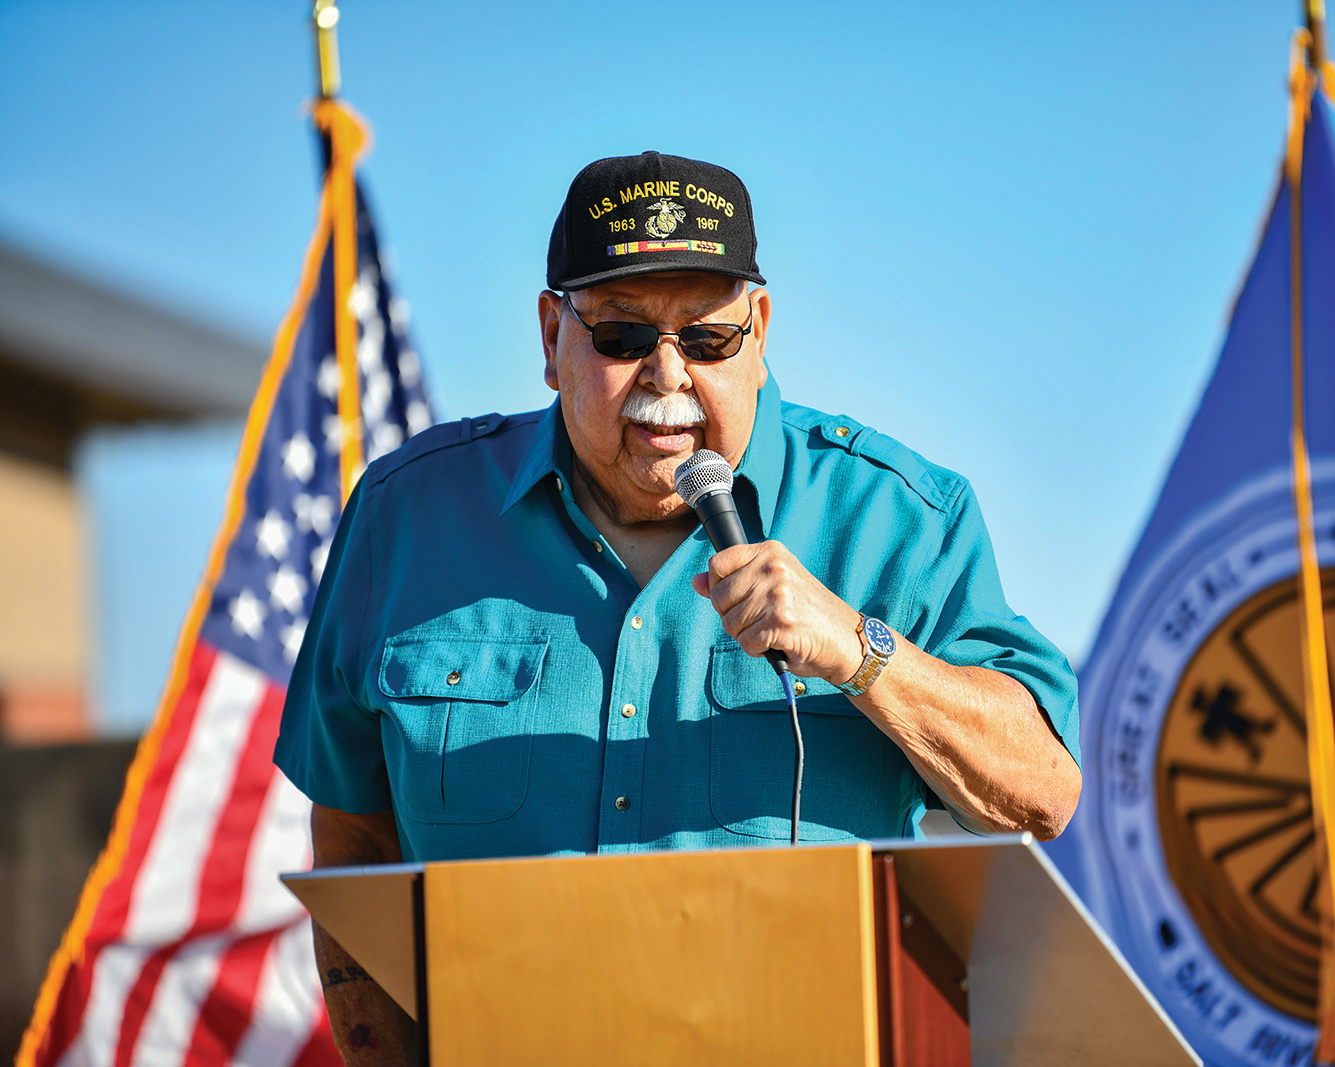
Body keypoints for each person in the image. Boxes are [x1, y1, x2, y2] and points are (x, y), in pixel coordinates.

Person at [274, 151, 1081, 1065]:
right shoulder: (405, 519)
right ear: (551, 336)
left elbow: (1044, 789)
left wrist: (861, 651)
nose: (668, 375)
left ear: (760, 330)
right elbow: (352, 830)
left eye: (706, 340)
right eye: (621, 336)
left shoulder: (898, 516)